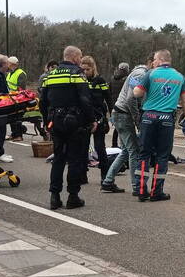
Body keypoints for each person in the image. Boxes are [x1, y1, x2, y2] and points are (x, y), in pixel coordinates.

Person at [40, 46, 96, 210]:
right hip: (74, 122)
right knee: (75, 160)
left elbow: (43, 102)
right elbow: (85, 100)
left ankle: (54, 196)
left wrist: (46, 120)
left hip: (55, 121)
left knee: (58, 158)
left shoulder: (50, 75)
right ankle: (73, 196)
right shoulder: (77, 74)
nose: (80, 60)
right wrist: (92, 120)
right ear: (74, 57)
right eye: (80, 57)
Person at [133, 50, 185, 202]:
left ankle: (140, 190)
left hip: (148, 117)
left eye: (154, 59)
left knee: (144, 153)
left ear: (160, 60)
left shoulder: (151, 74)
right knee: (162, 156)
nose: (153, 62)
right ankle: (156, 192)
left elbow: (137, 93)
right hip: (166, 119)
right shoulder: (180, 77)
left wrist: (135, 86)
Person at [100, 56, 151, 194]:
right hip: (123, 115)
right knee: (134, 151)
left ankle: (108, 181)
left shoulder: (139, 73)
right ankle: (136, 187)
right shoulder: (141, 74)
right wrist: (137, 119)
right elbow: (130, 98)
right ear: (151, 63)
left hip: (120, 114)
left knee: (126, 151)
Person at [80, 56, 112, 183]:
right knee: (83, 147)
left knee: (100, 147)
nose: (85, 72)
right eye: (82, 70)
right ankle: (83, 175)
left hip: (99, 116)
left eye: (87, 69)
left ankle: (105, 175)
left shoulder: (100, 80)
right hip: (84, 117)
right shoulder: (79, 80)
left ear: (93, 68)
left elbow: (108, 98)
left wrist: (111, 113)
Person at [6, 55, 28, 141]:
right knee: (11, 117)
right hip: (10, 99)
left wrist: (15, 96)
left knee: (17, 117)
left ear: (12, 64)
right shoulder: (10, 73)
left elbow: (21, 88)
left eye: (8, 63)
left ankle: (19, 135)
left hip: (18, 99)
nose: (7, 65)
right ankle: (14, 134)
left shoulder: (21, 73)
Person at [110, 62, 130, 146]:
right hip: (123, 105)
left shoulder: (112, 79)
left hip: (113, 105)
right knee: (124, 127)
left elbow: (109, 92)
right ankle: (123, 146)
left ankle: (114, 144)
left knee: (117, 127)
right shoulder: (127, 79)